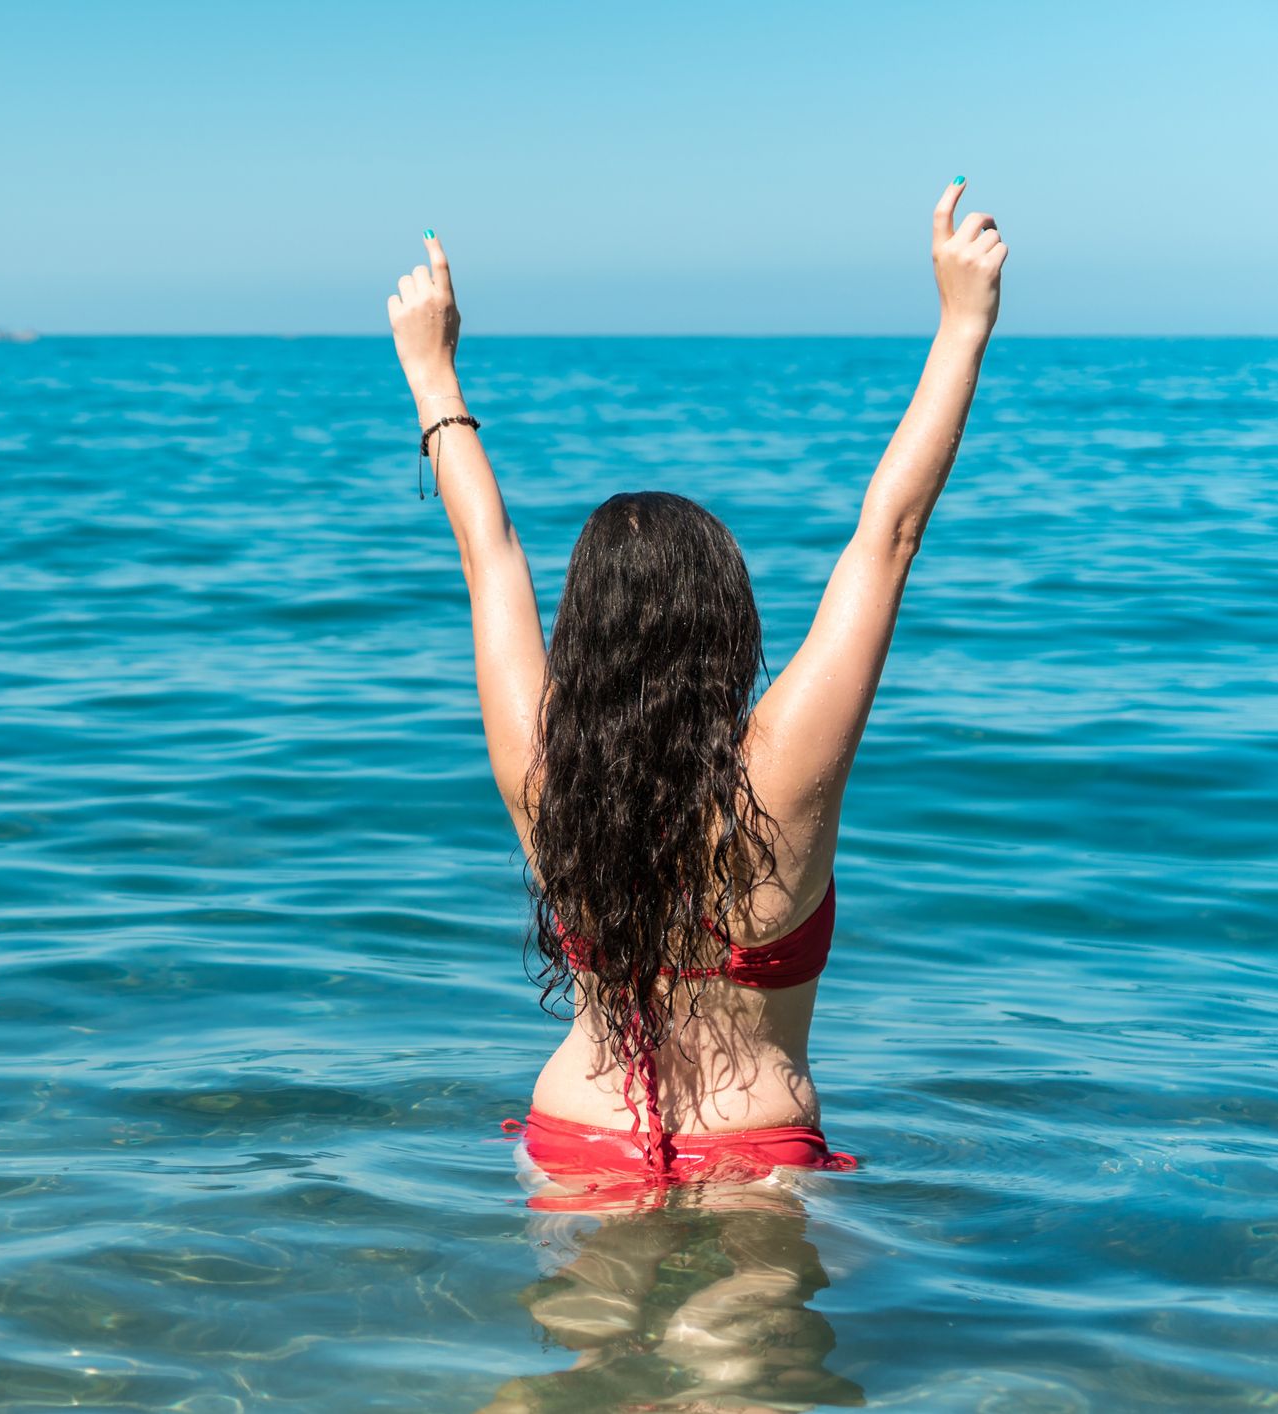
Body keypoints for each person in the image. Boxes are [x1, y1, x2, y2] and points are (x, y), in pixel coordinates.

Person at [386, 182, 1007, 1200]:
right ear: (732, 628)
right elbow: (887, 534)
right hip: (753, 1154)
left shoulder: (545, 775)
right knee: (757, 1364)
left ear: (580, 638)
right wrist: (963, 322)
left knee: (583, 1368)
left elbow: (489, 553)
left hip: (571, 1142)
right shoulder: (784, 766)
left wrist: (430, 366)